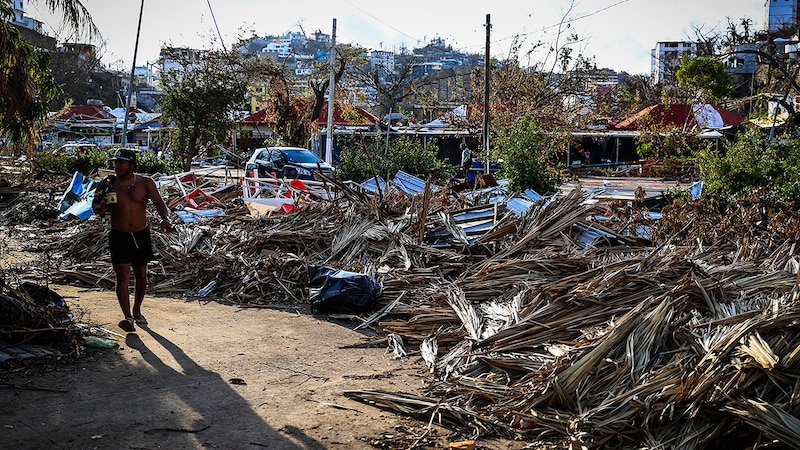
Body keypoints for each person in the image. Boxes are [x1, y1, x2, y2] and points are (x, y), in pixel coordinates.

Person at [92, 148, 172, 332]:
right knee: (122, 274)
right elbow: (94, 205)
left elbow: (159, 202)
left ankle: (137, 310)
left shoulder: (145, 183)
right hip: (118, 235)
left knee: (141, 274)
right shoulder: (108, 184)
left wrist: (165, 219)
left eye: (121, 162)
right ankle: (127, 317)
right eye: (115, 162)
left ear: (132, 165)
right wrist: (101, 207)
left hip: (139, 235)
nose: (117, 166)